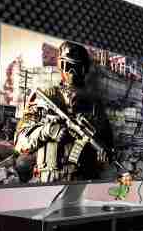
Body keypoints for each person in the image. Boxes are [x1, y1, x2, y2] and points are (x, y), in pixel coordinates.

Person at [13, 41, 113, 184]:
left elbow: (107, 142)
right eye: (67, 66)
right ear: (61, 66)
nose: (71, 72)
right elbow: (20, 141)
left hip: (84, 179)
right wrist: (47, 130)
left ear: (84, 69)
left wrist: (103, 152)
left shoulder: (94, 104)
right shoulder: (45, 98)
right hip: (51, 179)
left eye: (76, 67)